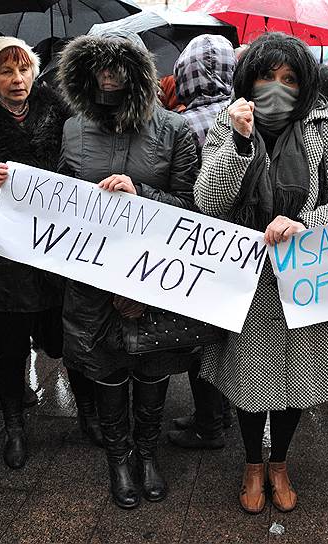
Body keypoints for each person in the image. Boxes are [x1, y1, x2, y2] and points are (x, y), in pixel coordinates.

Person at [194, 31, 328, 515]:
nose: (277, 87)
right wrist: (239, 143)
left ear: (305, 84)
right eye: (267, 76)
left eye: (289, 78)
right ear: (248, 80)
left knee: (297, 382)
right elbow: (208, 201)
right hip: (244, 279)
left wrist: (304, 222)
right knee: (249, 384)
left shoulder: (325, 128)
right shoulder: (224, 126)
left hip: (303, 277)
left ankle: (281, 462)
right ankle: (253, 463)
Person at [55, 31, 199, 509]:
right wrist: (18, 188)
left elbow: (193, 209)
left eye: (117, 69)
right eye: (98, 69)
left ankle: (148, 453)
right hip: (93, 283)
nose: (108, 78)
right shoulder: (73, 128)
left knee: (153, 371)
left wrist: (143, 195)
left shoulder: (175, 131)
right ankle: (119, 459)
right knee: (108, 372)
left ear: (137, 74)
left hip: (156, 279)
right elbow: (61, 201)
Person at [0, 37, 69, 470]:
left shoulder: (59, 112)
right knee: (7, 348)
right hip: (6, 261)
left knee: (65, 337)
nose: (17, 79)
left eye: (23, 69)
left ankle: (93, 417)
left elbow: (71, 180)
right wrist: (13, 199)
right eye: (5, 71)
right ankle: (14, 424)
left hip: (57, 255)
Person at [168, 33, 236, 451]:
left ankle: (209, 422)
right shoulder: (247, 114)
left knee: (201, 338)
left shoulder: (181, 124)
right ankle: (225, 411)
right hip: (244, 245)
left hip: (200, 245)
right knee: (232, 334)